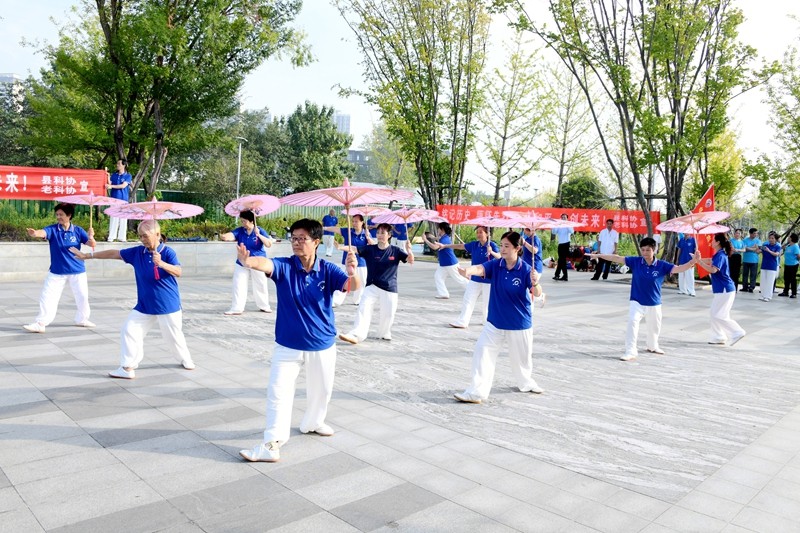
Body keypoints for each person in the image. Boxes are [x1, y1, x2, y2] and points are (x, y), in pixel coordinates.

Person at [237, 219, 360, 463]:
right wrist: (248, 262)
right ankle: (272, 443)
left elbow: (352, 287)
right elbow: (265, 263)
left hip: (322, 343)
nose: (296, 242)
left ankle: (314, 422)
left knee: (321, 391)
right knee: (278, 392)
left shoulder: (328, 269)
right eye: (293, 238)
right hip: (287, 345)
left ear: (316, 242)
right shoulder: (285, 266)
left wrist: (352, 272)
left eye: (302, 238)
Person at [69, 220, 195, 378]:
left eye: (145, 236)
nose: (142, 239)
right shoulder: (137, 253)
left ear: (157, 234)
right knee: (129, 330)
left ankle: (185, 359)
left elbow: (178, 271)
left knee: (173, 337)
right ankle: (127, 367)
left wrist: (161, 263)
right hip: (144, 305)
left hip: (167, 304)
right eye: (140, 236)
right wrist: (87, 255)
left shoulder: (168, 252)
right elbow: (114, 253)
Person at [453, 231, 545, 404]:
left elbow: (537, 293)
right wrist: (468, 271)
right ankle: (476, 392)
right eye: (501, 245)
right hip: (495, 323)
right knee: (482, 352)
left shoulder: (526, 269)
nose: (502, 249)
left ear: (517, 248)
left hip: (519, 324)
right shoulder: (496, 264)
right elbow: (481, 268)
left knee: (522, 361)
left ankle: (526, 383)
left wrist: (535, 282)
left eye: (506, 246)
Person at [588, 237, 697, 361]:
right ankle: (630, 351)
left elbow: (679, 269)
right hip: (637, 301)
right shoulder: (636, 261)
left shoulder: (662, 265)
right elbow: (617, 258)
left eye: (648, 250)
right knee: (632, 322)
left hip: (654, 303)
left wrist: (692, 262)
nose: (645, 253)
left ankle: (653, 346)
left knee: (654, 327)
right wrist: (599, 255)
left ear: (654, 250)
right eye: (643, 250)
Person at [23, 203, 97, 333]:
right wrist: (35, 234)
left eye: (61, 214)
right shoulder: (53, 229)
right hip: (57, 271)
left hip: (77, 270)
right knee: (47, 296)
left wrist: (91, 236)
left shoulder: (78, 230)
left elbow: (92, 244)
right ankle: (40, 323)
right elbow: (42, 232)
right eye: (57, 214)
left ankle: (82, 319)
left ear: (69, 215)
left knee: (82, 296)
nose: (58, 217)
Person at [339, 223, 413, 344]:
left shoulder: (396, 251)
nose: (379, 235)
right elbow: (354, 248)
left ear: (389, 235)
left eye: (383, 233)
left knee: (388, 314)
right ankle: (356, 334)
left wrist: (409, 250)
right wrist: (341, 247)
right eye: (378, 232)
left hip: (389, 287)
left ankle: (384, 333)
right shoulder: (370, 249)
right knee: (363, 308)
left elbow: (410, 260)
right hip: (372, 286)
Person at [439, 226, 500, 328]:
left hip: (489, 280)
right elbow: (461, 246)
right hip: (475, 278)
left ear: (487, 234)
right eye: (477, 232)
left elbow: (500, 257)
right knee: (468, 299)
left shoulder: (492, 245)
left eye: (481, 232)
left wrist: (492, 252)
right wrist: (446, 246)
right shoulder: (474, 245)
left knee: (487, 303)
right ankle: (463, 321)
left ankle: (487, 321)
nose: (478, 234)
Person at [692, 234, 746, 346]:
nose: (711, 242)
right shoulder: (718, 254)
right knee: (715, 313)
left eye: (713, 240)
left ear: (718, 242)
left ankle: (737, 331)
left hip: (725, 289)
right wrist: (697, 259)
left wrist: (699, 262)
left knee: (718, 315)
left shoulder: (721, 255)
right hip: (723, 289)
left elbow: (713, 270)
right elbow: (709, 260)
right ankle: (718, 336)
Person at [219, 210, 273, 315]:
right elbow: (231, 235)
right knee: (238, 283)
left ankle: (264, 306)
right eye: (241, 221)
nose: (242, 223)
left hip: (257, 261)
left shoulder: (260, 230)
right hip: (242, 261)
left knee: (260, 283)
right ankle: (236, 308)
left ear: (251, 221)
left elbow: (269, 244)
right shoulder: (240, 231)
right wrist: (225, 236)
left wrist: (259, 235)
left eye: (244, 221)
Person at [323, 214, 370, 306]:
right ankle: (336, 301)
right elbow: (335, 229)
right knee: (342, 280)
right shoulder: (348, 231)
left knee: (362, 282)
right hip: (347, 261)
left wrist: (368, 238)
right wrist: (324, 228)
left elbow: (373, 246)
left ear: (362, 222)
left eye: (356, 221)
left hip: (361, 263)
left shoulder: (366, 234)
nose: (354, 223)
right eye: (353, 221)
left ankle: (357, 300)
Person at [422, 222, 469, 298]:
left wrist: (425, 240)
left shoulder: (444, 239)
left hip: (450, 263)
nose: (437, 230)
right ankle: (443, 294)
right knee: (438, 277)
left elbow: (434, 247)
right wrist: (431, 237)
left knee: (459, 279)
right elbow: (437, 239)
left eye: (438, 228)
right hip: (444, 264)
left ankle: (472, 289)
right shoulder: (444, 237)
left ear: (442, 229)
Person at [106, 159, 132, 242]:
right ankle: (111, 237)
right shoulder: (114, 175)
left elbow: (123, 186)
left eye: (119, 164)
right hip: (114, 199)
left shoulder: (128, 176)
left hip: (123, 200)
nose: (117, 165)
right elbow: (110, 183)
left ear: (124, 165)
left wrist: (111, 186)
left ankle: (122, 237)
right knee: (113, 217)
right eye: (117, 163)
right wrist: (108, 176)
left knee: (123, 218)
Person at [759, 231, 781, 301]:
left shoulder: (777, 246)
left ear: (776, 239)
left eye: (772, 238)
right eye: (770, 238)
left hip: (772, 266)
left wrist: (769, 251)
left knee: (770, 282)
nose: (771, 239)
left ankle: (768, 296)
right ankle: (763, 295)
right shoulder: (766, 245)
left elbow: (776, 254)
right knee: (763, 281)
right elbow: (758, 251)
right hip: (764, 265)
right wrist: (757, 248)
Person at [551, 214, 573, 281]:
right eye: (562, 217)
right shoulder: (559, 225)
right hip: (560, 244)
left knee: (562, 260)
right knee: (561, 260)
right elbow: (554, 232)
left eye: (564, 217)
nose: (563, 218)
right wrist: (555, 225)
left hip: (566, 244)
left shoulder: (569, 224)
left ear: (567, 218)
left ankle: (562, 275)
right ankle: (558, 275)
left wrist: (566, 224)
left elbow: (571, 231)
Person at [779, 233, 799, 298]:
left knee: (792, 279)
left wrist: (796, 260)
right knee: (786, 279)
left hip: (793, 265)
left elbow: (798, 256)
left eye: (789, 237)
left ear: (792, 238)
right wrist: (783, 248)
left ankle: (794, 293)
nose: (788, 238)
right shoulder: (788, 246)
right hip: (787, 264)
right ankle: (785, 292)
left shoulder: (795, 246)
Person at [741, 228, 761, 292]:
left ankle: (752, 287)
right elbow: (744, 249)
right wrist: (753, 248)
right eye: (754, 233)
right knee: (745, 274)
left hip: (754, 260)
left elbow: (758, 249)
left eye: (756, 233)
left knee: (753, 275)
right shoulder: (744, 240)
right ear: (750, 233)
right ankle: (745, 287)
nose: (756, 234)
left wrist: (748, 248)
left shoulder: (758, 241)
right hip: (746, 260)